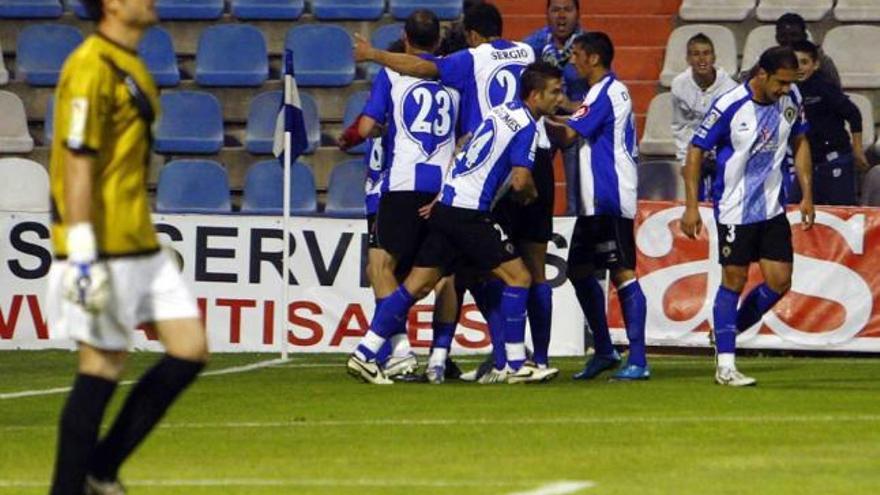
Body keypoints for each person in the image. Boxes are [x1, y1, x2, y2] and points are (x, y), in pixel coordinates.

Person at [47, 1, 209, 493]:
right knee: (100, 365)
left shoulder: (132, 64)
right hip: (100, 244)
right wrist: (78, 251)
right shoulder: (89, 66)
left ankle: (101, 468)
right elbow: (77, 161)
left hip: (141, 243)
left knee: (189, 350)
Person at [347, 62, 564, 385]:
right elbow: (520, 181)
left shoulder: (500, 111)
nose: (559, 98)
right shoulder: (527, 127)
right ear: (534, 95)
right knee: (519, 278)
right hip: (471, 212)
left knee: (416, 285)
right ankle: (518, 365)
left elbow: (463, 152)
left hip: (448, 204)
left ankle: (365, 353)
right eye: (554, 92)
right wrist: (530, 193)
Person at [680, 46, 815, 387]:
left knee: (780, 281)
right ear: (761, 75)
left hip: (771, 207)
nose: (785, 89)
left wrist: (807, 194)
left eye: (789, 83)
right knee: (734, 281)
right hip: (733, 209)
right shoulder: (729, 105)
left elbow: (800, 141)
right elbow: (696, 150)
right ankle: (726, 365)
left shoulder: (792, 97)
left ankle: (727, 330)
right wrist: (692, 205)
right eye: (781, 83)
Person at [340, 11, 461, 380]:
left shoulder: (392, 73)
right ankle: (438, 358)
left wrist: (374, 128)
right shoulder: (456, 78)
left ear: (405, 39)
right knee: (444, 276)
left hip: (403, 185)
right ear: (438, 43)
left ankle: (398, 352)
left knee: (380, 266)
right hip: (443, 188)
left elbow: (364, 126)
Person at [544, 32, 650, 381]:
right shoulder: (599, 93)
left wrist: (533, 117)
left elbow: (569, 135)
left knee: (622, 274)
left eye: (576, 54)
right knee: (578, 271)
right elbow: (576, 118)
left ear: (592, 58)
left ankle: (638, 359)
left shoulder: (606, 91)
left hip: (609, 198)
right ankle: (605, 350)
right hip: (594, 203)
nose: (572, 60)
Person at [523, 0, 588, 214]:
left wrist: (573, 107)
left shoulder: (588, 47)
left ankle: (576, 241)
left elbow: (601, 89)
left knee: (576, 196)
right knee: (535, 183)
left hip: (577, 128)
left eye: (567, 10)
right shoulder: (532, 45)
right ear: (547, 13)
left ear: (578, 14)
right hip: (542, 125)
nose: (561, 16)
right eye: (555, 10)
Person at [790, 40, 868, 205]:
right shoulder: (787, 90)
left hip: (834, 158)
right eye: (795, 63)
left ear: (816, 64)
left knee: (840, 211)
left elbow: (853, 114)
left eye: (804, 62)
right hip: (807, 161)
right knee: (795, 207)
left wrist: (858, 149)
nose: (800, 68)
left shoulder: (825, 87)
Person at [671, 33, 738, 200]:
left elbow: (733, 129)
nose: (702, 59)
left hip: (723, 148)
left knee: (722, 199)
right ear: (688, 59)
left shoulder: (730, 89)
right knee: (696, 199)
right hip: (695, 149)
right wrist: (684, 159)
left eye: (706, 53)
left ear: (714, 57)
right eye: (696, 54)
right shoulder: (679, 85)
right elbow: (680, 125)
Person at [775, 12, 840, 87]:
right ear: (777, 38)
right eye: (783, 36)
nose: (788, 40)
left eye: (794, 35)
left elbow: (836, 93)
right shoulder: (769, 61)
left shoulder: (822, 62)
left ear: (805, 36)